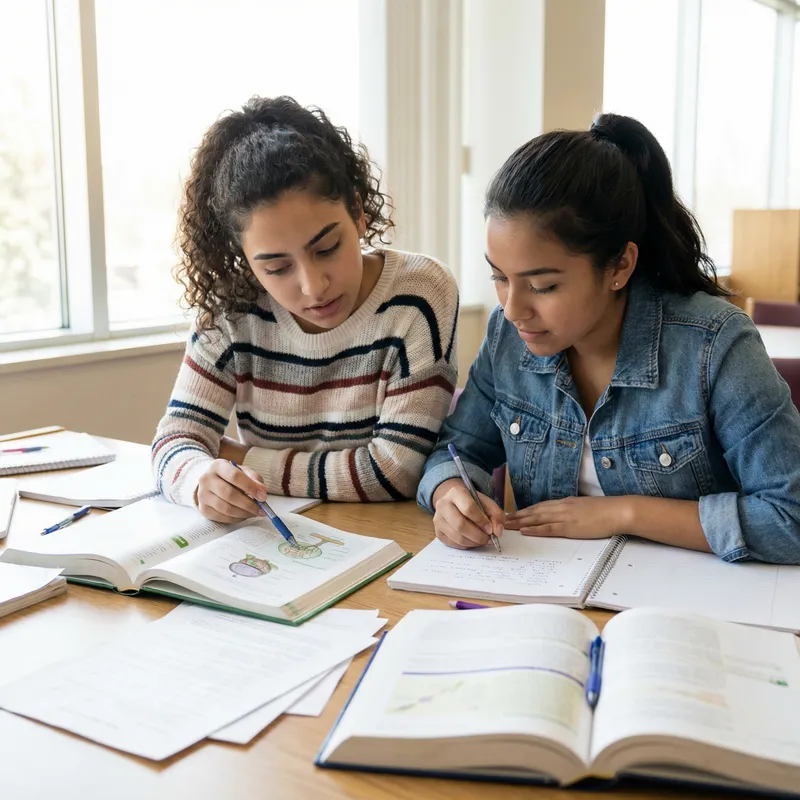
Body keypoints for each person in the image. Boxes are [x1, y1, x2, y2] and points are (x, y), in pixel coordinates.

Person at [418, 113, 800, 564]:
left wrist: (623, 513)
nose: (513, 308)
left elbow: (790, 518)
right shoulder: (508, 336)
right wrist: (450, 494)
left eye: (543, 286)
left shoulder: (715, 345)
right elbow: (457, 450)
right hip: (545, 596)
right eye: (500, 277)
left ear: (619, 266)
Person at [153, 96, 459, 522]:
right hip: (272, 540)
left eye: (328, 248)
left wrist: (246, 460)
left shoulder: (419, 294)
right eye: (277, 267)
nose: (314, 287)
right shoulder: (231, 311)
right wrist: (201, 477)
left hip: (390, 538)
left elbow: (394, 471)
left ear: (357, 212)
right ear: (243, 256)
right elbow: (174, 442)